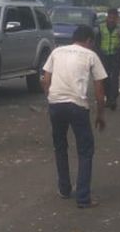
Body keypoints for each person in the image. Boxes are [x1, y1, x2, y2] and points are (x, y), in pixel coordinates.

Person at [41, 24, 107, 208]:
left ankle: (64, 189)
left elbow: (45, 80)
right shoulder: (91, 55)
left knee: (60, 146)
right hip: (77, 106)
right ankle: (83, 197)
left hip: (56, 104)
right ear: (89, 41)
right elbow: (100, 90)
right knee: (85, 151)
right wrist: (100, 114)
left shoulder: (57, 52)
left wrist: (51, 99)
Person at [95, 7, 120, 109]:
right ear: (107, 17)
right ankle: (108, 98)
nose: (111, 19)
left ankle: (113, 99)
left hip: (115, 56)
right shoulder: (101, 27)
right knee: (105, 78)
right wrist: (98, 53)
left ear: (117, 18)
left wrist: (118, 47)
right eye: (110, 17)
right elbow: (97, 42)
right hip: (103, 56)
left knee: (115, 78)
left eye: (114, 17)